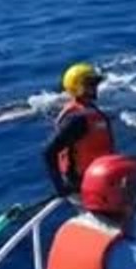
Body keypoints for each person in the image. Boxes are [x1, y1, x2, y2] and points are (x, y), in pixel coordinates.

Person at [45, 63, 117, 197]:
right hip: (82, 185)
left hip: (99, 179)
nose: (95, 88)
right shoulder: (76, 119)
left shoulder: (89, 110)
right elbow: (49, 152)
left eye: (95, 84)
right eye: (90, 84)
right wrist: (60, 186)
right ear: (76, 87)